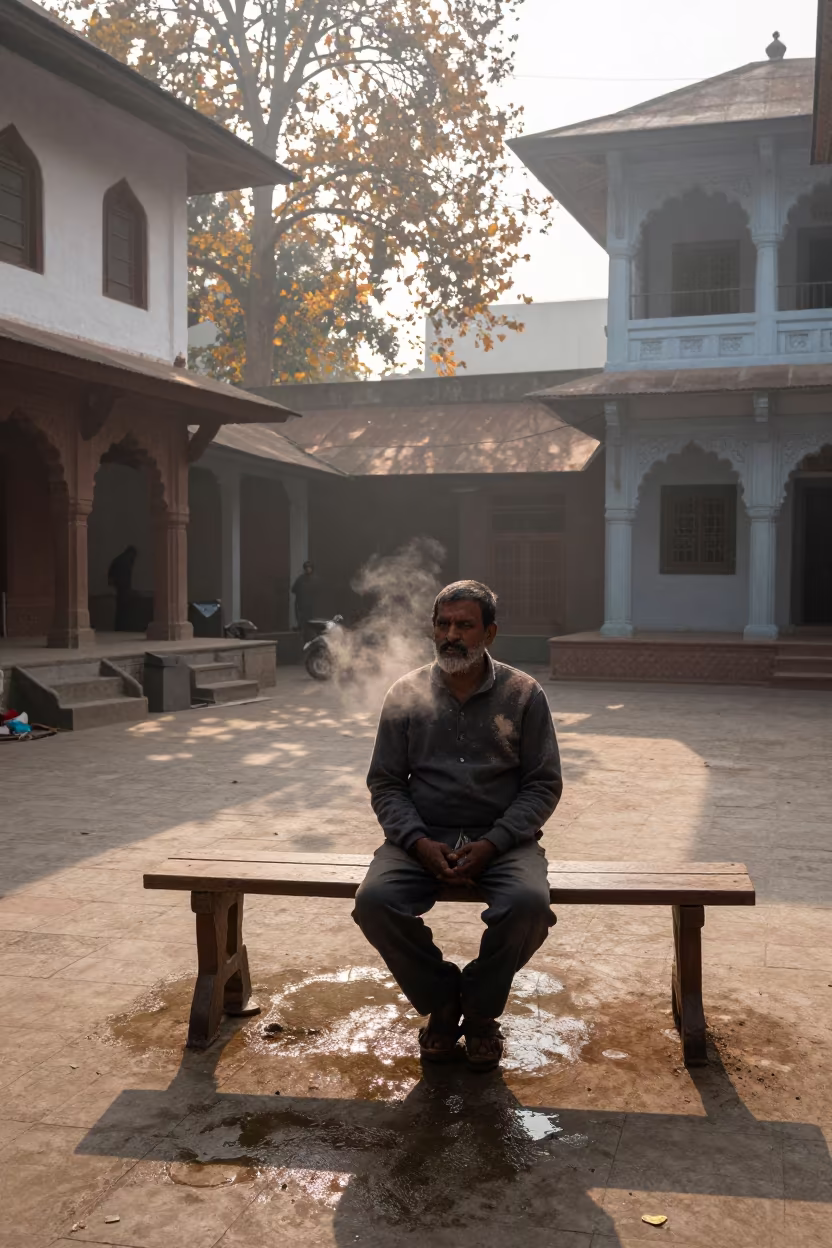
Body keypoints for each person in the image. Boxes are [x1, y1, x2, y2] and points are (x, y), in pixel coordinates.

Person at [353, 579, 562, 1072]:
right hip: (420, 837)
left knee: (528, 905)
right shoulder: (404, 694)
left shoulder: (524, 694)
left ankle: (482, 1012)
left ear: (489, 633)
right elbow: (385, 783)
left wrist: (494, 842)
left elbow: (543, 785)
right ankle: (444, 1001)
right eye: (443, 624)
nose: (452, 635)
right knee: (374, 903)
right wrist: (418, 841)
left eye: (465, 625)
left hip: (503, 841)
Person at [107, 544, 137, 632]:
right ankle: (123, 627)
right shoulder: (126, 561)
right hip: (123, 587)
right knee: (124, 608)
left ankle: (120, 627)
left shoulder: (119, 560)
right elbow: (125, 576)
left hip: (120, 587)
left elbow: (111, 573)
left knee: (120, 608)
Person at [292, 560, 321, 641]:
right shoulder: (300, 579)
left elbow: (319, 592)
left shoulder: (316, 580)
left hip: (312, 605)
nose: (308, 569)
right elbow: (294, 590)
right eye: (306, 568)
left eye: (309, 568)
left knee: (311, 623)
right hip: (301, 604)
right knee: (302, 620)